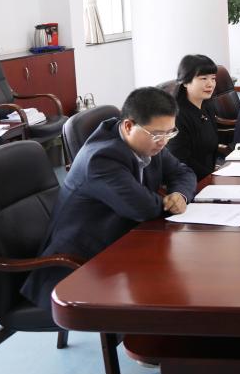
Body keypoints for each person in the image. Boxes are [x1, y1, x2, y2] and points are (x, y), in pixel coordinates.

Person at [21, 87, 196, 310]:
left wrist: (179, 194)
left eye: (170, 132)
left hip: (120, 245)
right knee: (167, 293)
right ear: (128, 126)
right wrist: (168, 203)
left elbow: (183, 172)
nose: (163, 142)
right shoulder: (101, 159)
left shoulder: (148, 139)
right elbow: (142, 208)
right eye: (158, 134)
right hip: (77, 269)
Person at [167, 54, 223, 181]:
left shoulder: (207, 106)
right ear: (185, 82)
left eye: (213, 78)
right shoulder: (177, 117)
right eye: (203, 78)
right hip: (189, 181)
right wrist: (212, 176)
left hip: (209, 176)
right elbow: (181, 161)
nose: (210, 84)